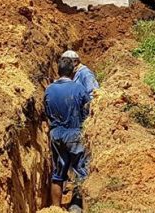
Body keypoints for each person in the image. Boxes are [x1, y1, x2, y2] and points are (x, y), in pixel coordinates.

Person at [44, 57, 90, 207]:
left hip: (56, 134)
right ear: (72, 71)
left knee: (58, 174)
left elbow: (46, 112)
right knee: (83, 173)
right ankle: (83, 207)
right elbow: (88, 109)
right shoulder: (78, 88)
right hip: (75, 133)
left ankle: (55, 208)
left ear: (58, 71)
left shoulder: (49, 89)